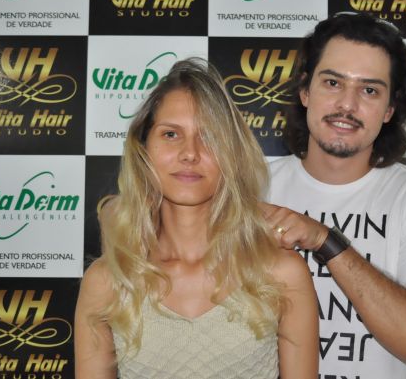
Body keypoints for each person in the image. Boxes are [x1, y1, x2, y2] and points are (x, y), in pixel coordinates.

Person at [74, 59, 318, 379]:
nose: (190, 153)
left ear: (232, 153)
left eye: (209, 137)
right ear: (144, 148)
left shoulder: (282, 274)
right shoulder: (108, 281)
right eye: (171, 134)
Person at [263, 12, 406, 378]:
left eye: (369, 90)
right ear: (305, 91)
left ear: (389, 110)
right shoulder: (255, 188)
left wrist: (325, 240)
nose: (347, 105)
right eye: (332, 83)